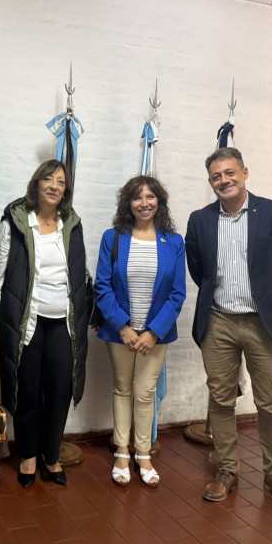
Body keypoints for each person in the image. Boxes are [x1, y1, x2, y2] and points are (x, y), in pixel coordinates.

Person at [185, 147, 272, 508]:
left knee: (269, 403)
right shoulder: (200, 220)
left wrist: (271, 301)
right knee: (220, 400)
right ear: (211, 182)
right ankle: (227, 470)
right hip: (218, 321)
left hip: (263, 323)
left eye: (230, 173)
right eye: (216, 176)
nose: (224, 180)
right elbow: (198, 270)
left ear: (245, 173)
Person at [0, 160, 89, 488]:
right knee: (27, 391)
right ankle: (28, 455)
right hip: (25, 323)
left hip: (63, 325)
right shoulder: (15, 222)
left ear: (66, 191)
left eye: (61, 182)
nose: (54, 186)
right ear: (37, 183)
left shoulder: (72, 224)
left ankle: (51, 455)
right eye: (48, 179)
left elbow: (79, 276)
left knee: (59, 391)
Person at [94, 175, 186, 488]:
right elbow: (102, 286)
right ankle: (122, 451)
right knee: (123, 388)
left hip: (154, 336)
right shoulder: (114, 238)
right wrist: (122, 327)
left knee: (145, 393)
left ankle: (142, 453)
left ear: (159, 201)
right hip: (121, 332)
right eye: (137, 198)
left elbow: (177, 293)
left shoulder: (173, 242)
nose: (144, 203)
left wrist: (154, 332)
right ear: (128, 204)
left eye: (150, 197)